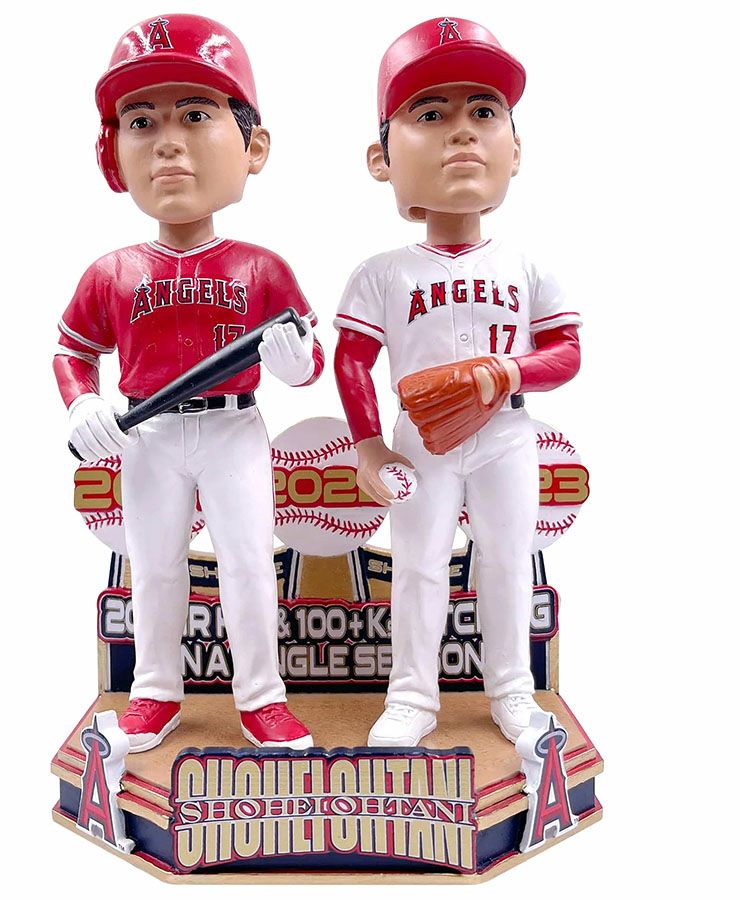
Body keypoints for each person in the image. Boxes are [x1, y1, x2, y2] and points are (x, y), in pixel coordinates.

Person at [54, 14, 323, 752]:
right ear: (114, 153)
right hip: (149, 432)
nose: (168, 142)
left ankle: (262, 698)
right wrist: (81, 400)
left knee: (248, 563)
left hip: (234, 428)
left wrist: (291, 359)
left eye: (196, 115)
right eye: (142, 121)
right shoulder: (113, 271)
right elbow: (73, 350)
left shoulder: (260, 266)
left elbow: (308, 364)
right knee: (154, 568)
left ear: (251, 145)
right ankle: (154, 692)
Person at [333, 17, 581, 747]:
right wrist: (369, 445)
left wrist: (510, 370)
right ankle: (412, 696)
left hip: (506, 431)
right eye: (432, 114)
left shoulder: (527, 266)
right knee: (418, 565)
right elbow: (352, 360)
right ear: (382, 158)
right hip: (422, 439)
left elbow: (567, 352)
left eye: (483, 110)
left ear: (515, 149)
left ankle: (512, 691)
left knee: (506, 562)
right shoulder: (383, 272)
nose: (463, 131)